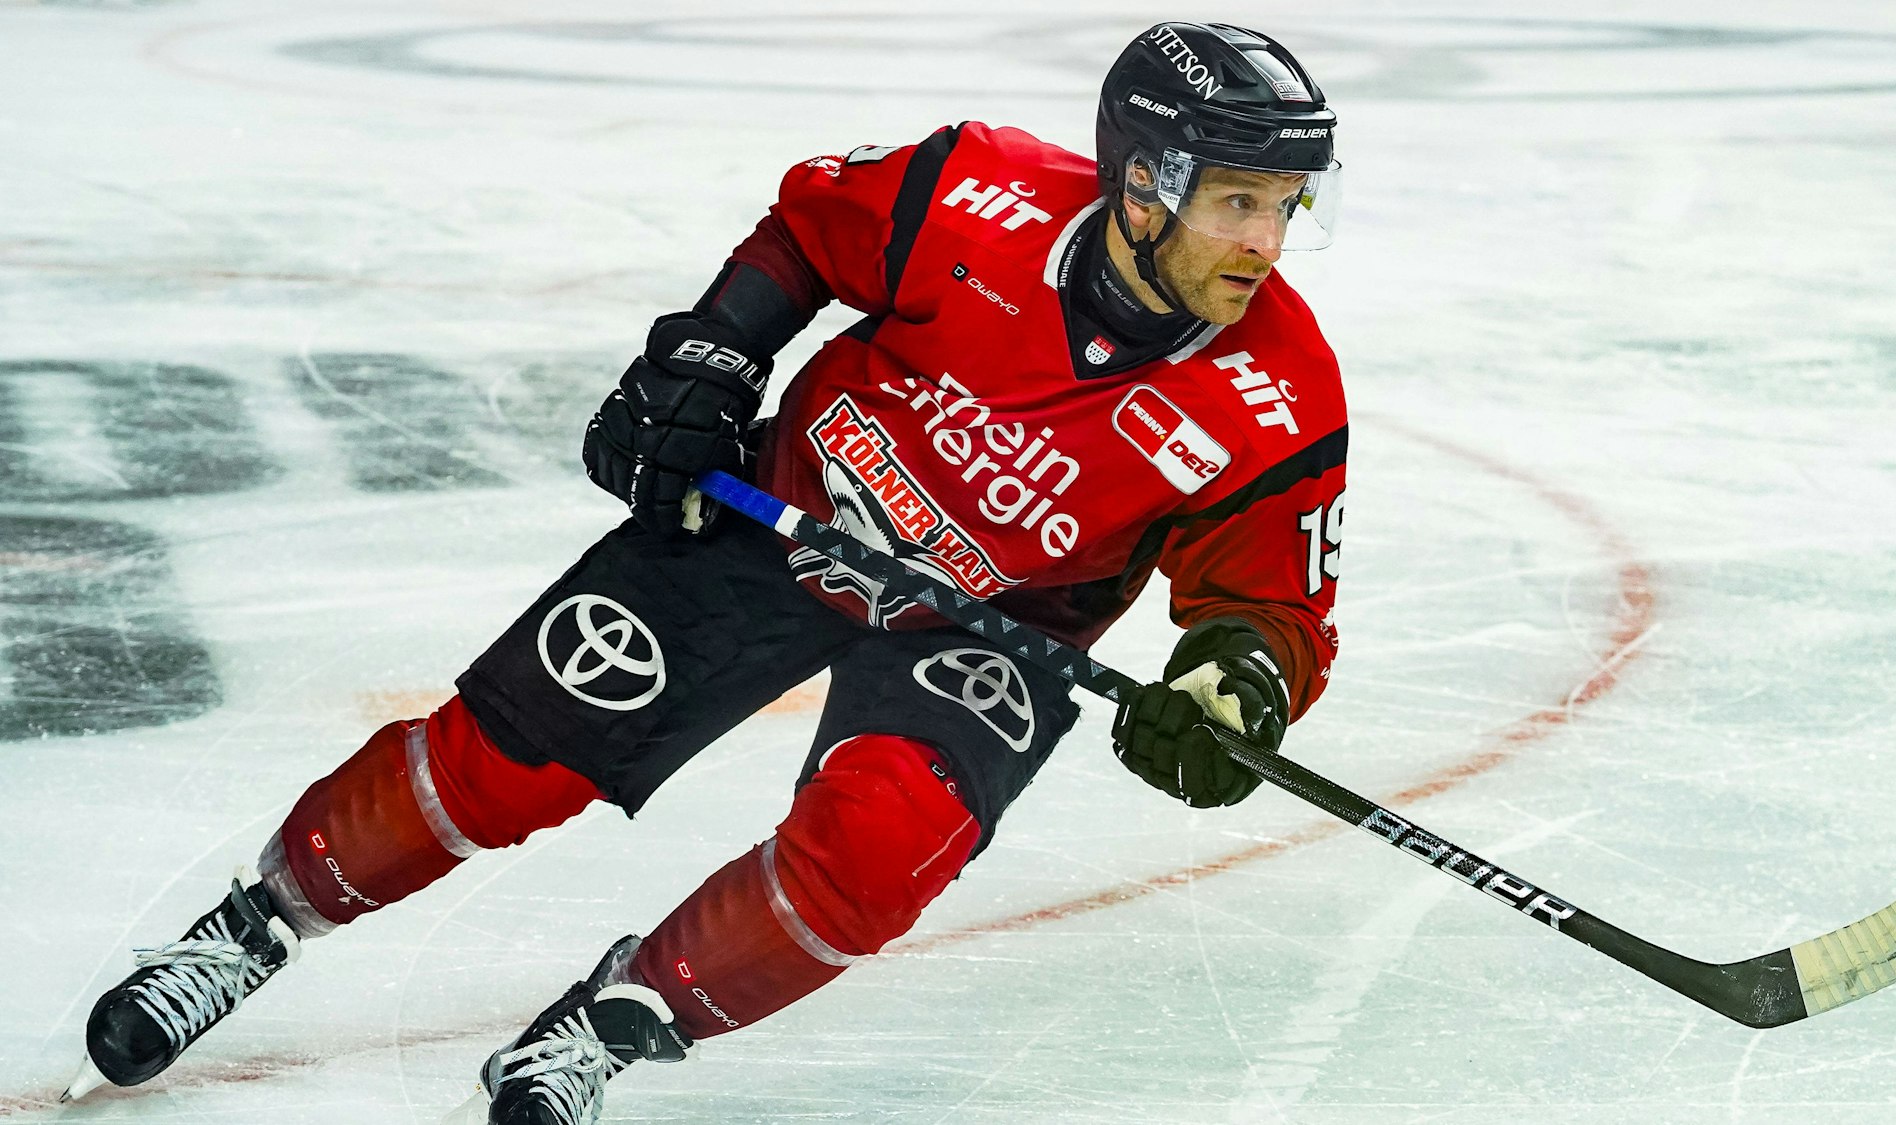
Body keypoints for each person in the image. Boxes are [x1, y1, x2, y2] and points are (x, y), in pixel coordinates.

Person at [66, 21, 1350, 1125]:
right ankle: (253, 925)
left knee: (876, 855)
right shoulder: (971, 190)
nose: (1265, 241)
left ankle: (612, 1023)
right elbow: (808, 230)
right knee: (508, 758)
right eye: (1237, 202)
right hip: (778, 515)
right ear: (1140, 187)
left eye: (1287, 206)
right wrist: (713, 357)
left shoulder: (1279, 396)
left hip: (988, 627)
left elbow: (1269, 606)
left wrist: (1232, 689)